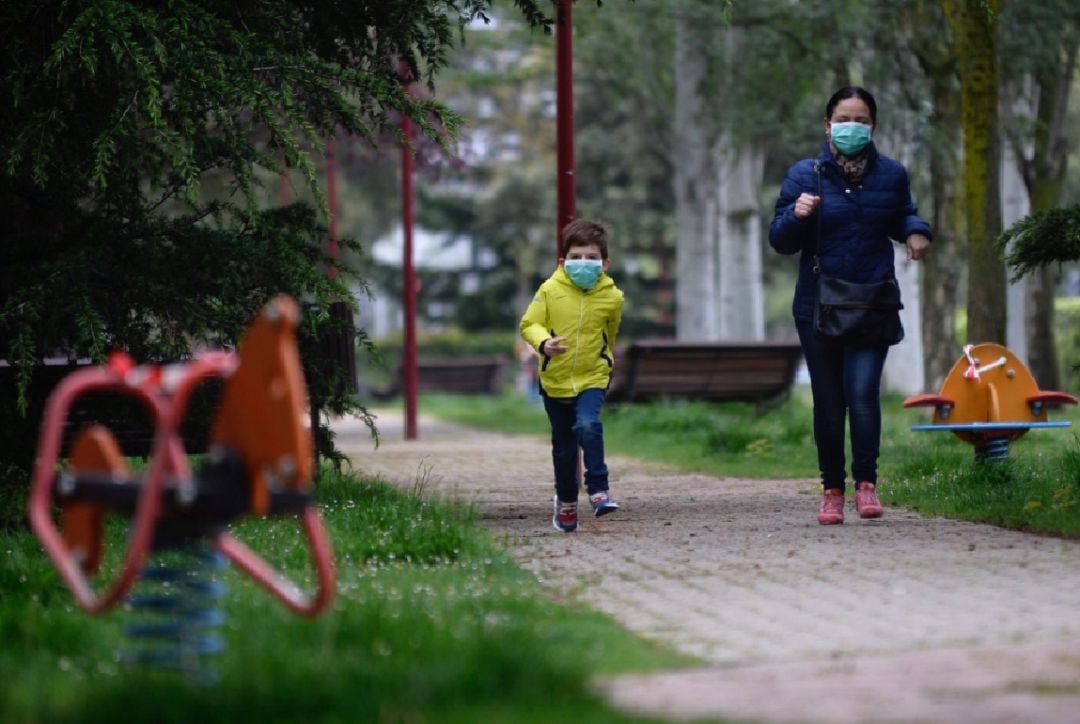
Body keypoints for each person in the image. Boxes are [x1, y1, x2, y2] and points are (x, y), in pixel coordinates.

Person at [768, 86, 932, 525]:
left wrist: (917, 232)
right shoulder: (805, 175)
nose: (852, 127)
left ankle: (866, 484)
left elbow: (901, 213)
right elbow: (780, 241)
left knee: (861, 395)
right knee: (828, 400)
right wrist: (797, 215)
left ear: (873, 125)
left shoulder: (892, 174)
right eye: (844, 119)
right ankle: (832, 490)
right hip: (818, 305)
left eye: (861, 120)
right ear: (827, 124)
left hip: (871, 301)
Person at [519, 218, 624, 532]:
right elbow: (529, 323)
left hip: (593, 376)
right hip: (555, 380)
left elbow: (611, 333)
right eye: (576, 257)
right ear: (563, 262)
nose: (583, 263)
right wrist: (543, 343)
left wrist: (603, 360)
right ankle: (565, 501)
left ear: (604, 263)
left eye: (591, 258)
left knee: (589, 425)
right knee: (564, 448)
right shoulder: (550, 289)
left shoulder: (612, 297)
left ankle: (598, 490)